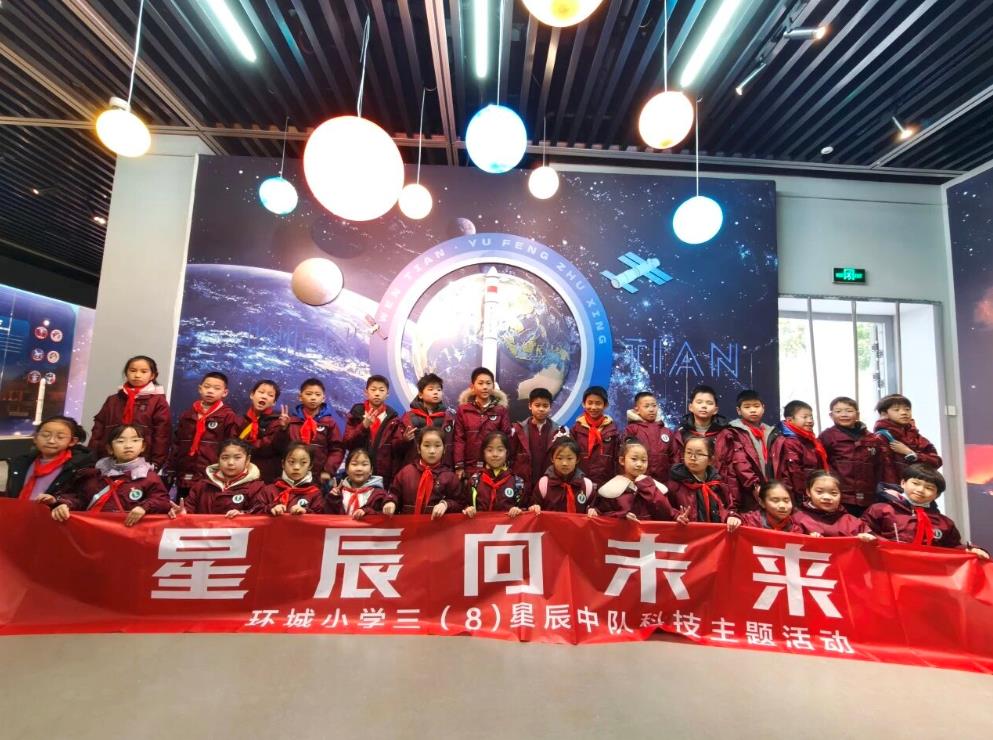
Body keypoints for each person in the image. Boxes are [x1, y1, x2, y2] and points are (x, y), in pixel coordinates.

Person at [51, 424, 170, 527]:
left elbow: (162, 501)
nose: (128, 445)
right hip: (93, 531)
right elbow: (80, 498)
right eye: (120, 441)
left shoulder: (149, 477)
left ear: (143, 446)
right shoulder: (95, 474)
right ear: (110, 448)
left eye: (135, 440)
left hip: (127, 533)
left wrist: (144, 507)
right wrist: (66, 505)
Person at [862, 465, 989, 558]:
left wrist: (972, 550)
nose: (921, 490)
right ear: (903, 483)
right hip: (887, 569)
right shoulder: (880, 509)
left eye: (929, 488)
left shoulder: (945, 523)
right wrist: (871, 539)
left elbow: (953, 548)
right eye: (915, 483)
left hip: (927, 576)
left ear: (937, 495)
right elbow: (863, 531)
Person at [90, 355, 171, 469]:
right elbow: (98, 428)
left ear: (152, 375)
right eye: (133, 370)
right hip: (109, 459)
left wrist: (156, 463)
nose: (137, 375)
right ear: (126, 373)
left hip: (143, 460)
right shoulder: (113, 400)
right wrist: (92, 455)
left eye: (144, 371)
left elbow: (162, 435)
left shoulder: (158, 401)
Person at [169, 371, 240, 498]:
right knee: (182, 504)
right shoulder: (187, 414)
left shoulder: (228, 416)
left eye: (216, 388)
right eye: (207, 387)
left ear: (225, 393)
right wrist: (171, 468)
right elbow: (176, 444)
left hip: (211, 474)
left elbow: (231, 447)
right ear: (200, 388)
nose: (210, 391)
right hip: (184, 473)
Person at [672, 384, 740, 508]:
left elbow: (732, 471)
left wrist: (732, 505)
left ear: (716, 409)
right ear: (691, 407)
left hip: (719, 491)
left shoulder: (726, 435)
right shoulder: (681, 434)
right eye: (699, 402)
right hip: (688, 493)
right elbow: (676, 466)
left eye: (709, 403)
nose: (704, 406)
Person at [3, 416, 92, 503]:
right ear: (35, 438)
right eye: (45, 435)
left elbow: (81, 498)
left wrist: (58, 500)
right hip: (18, 510)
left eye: (60, 437)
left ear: (72, 441)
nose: (51, 441)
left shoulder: (80, 467)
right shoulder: (21, 462)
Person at [818, 396, 883, 515]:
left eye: (849, 411)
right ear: (831, 415)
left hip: (868, 496)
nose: (844, 414)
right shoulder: (827, 436)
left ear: (857, 414)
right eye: (838, 411)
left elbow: (879, 466)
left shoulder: (871, 438)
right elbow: (820, 464)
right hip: (840, 495)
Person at [381, 427, 463, 518]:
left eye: (437, 446)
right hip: (409, 524)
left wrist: (446, 504)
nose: (432, 451)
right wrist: (391, 502)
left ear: (444, 449)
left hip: (438, 525)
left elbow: (460, 503)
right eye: (427, 445)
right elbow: (394, 493)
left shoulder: (449, 477)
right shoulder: (406, 473)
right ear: (419, 448)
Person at [174, 438, 266, 517]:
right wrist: (182, 512)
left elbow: (259, 512)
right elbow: (188, 509)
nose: (230, 463)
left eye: (237, 458)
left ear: (247, 460)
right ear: (218, 459)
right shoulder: (202, 486)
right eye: (225, 458)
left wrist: (243, 515)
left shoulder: (256, 488)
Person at [276, 378, 344, 483]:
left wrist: (327, 471)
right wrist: (283, 429)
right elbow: (280, 447)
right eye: (309, 394)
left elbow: (337, 449)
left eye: (317, 394)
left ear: (323, 398)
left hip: (318, 477)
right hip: (292, 473)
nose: (313, 398)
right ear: (300, 397)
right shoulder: (291, 421)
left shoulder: (329, 423)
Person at [596, 439, 680, 521]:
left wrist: (676, 516)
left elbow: (666, 512)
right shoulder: (611, 487)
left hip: (649, 530)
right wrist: (622, 516)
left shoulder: (653, 485)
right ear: (622, 460)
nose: (639, 464)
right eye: (634, 459)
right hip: (624, 530)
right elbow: (604, 515)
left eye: (644, 460)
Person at [343, 375, 403, 488]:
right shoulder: (356, 413)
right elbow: (348, 442)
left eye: (381, 390)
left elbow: (396, 450)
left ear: (387, 394)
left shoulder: (393, 418)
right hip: (358, 471)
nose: (377, 393)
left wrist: (404, 440)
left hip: (382, 474)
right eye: (373, 389)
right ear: (366, 392)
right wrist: (363, 426)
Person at [666, 436, 738, 526]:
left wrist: (731, 516)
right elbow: (666, 510)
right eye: (688, 453)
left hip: (713, 532)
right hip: (686, 532)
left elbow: (727, 508)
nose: (692, 457)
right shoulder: (674, 485)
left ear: (710, 460)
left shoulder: (717, 484)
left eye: (699, 454)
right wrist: (676, 516)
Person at [768, 400, 829, 504]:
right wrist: (802, 498)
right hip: (800, 496)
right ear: (789, 420)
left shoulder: (811, 439)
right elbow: (793, 473)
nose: (810, 421)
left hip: (813, 491)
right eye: (805, 417)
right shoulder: (790, 442)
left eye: (811, 417)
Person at [509, 387, 568, 495]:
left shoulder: (560, 432)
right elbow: (510, 458)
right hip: (523, 485)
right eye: (537, 405)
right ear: (530, 406)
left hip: (550, 484)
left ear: (550, 407)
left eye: (545, 406)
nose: (541, 409)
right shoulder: (517, 430)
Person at [454, 367, 511, 477]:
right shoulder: (463, 410)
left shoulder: (501, 411)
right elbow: (459, 439)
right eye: (480, 383)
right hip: (469, 467)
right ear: (472, 386)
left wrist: (504, 463)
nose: (485, 387)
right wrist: (459, 465)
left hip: (493, 467)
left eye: (488, 383)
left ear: (493, 386)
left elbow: (506, 438)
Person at [874, 394, 942, 484]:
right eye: (896, 410)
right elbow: (884, 470)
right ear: (884, 414)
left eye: (907, 409)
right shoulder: (881, 437)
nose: (904, 413)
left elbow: (937, 461)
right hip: (894, 489)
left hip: (918, 487)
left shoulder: (917, 436)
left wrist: (911, 453)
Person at [792, 470, 875, 540]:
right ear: (808, 492)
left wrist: (866, 538)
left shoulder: (851, 521)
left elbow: (875, 543)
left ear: (841, 495)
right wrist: (806, 539)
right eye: (819, 492)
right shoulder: (797, 519)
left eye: (833, 493)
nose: (827, 497)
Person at [727, 389, 773, 512]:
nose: (753, 410)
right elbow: (740, 462)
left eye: (756, 406)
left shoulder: (772, 432)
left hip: (771, 486)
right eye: (747, 407)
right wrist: (754, 485)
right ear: (739, 410)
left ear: (763, 408)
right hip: (746, 487)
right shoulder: (733, 431)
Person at [463, 432, 529, 517]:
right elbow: (464, 504)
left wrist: (519, 510)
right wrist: (468, 509)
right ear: (483, 453)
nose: (495, 454)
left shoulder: (518, 483)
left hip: (507, 525)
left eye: (500, 450)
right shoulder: (474, 481)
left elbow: (526, 510)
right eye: (489, 450)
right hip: (480, 525)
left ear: (507, 452)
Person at [397, 373, 455, 467]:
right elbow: (396, 447)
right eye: (431, 389)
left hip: (441, 467)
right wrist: (404, 440)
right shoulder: (408, 417)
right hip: (414, 467)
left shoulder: (448, 417)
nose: (436, 392)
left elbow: (453, 444)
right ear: (420, 395)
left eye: (439, 389)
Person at [237, 379, 285, 484]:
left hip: (266, 474)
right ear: (252, 395)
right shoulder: (240, 420)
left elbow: (268, 446)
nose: (264, 396)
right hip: (240, 471)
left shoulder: (277, 421)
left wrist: (243, 446)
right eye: (261, 392)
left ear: (274, 402)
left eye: (270, 395)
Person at [570, 385, 620, 487]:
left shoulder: (613, 431)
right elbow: (570, 456)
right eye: (590, 403)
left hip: (606, 484)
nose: (593, 407)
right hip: (580, 483)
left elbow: (618, 459)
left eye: (598, 403)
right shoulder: (576, 429)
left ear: (605, 405)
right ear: (583, 404)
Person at [532, 438, 596, 515]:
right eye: (560, 458)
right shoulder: (543, 484)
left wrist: (593, 510)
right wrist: (534, 507)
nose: (564, 463)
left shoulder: (587, 485)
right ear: (552, 459)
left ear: (577, 459)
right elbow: (533, 507)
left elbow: (594, 507)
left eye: (569, 458)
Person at [624, 391, 676, 483]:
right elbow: (624, 456)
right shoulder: (631, 430)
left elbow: (674, 457)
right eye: (646, 406)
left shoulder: (667, 432)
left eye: (654, 406)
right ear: (637, 410)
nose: (651, 409)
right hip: (637, 482)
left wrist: (673, 481)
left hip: (664, 483)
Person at [259, 443, 324, 516]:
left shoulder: (315, 494)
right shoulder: (268, 490)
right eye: (291, 462)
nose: (296, 467)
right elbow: (255, 513)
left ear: (310, 466)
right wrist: (270, 509)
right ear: (283, 464)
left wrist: (306, 512)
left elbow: (321, 518)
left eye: (303, 463)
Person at [324, 448, 384, 519]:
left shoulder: (378, 494)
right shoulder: (340, 492)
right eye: (354, 464)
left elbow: (383, 516)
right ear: (347, 469)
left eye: (364, 464)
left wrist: (367, 512)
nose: (359, 468)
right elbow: (328, 518)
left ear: (371, 470)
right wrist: (333, 499)